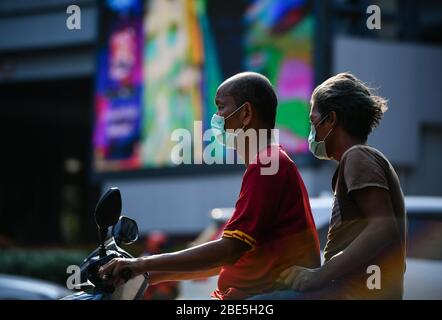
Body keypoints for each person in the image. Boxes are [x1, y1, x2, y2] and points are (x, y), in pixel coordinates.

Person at [99, 72, 320, 299]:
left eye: (221, 107)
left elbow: (230, 249)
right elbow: (225, 259)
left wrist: (142, 263)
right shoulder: (269, 163)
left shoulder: (268, 165)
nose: (216, 116)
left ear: (245, 114)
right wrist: (148, 273)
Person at [252, 72, 407, 300]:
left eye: (314, 121)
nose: (311, 131)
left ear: (331, 120)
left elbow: (383, 228)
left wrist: (320, 275)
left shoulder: (358, 156)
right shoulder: (358, 160)